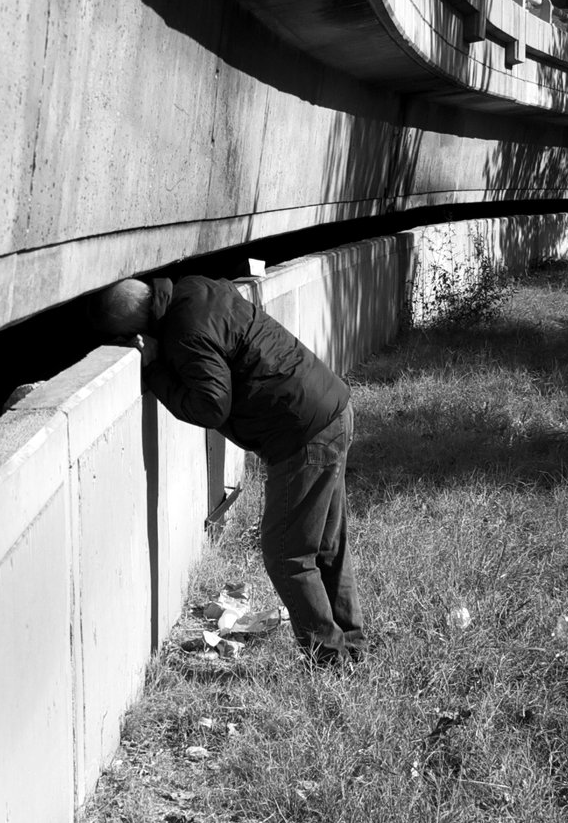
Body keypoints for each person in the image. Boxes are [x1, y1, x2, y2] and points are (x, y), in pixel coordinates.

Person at [94, 274, 367, 665]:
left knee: (287, 554)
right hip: (331, 408)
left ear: (135, 331)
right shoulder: (195, 288)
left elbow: (211, 404)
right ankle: (351, 646)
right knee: (326, 545)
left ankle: (330, 659)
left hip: (303, 434)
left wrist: (154, 369)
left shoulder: (182, 335)